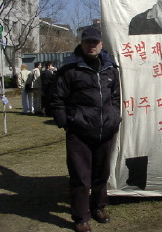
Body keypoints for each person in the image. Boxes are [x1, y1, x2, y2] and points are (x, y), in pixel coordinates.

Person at [50, 27, 121, 232]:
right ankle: (81, 217)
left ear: (101, 44)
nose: (92, 45)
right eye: (88, 42)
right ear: (81, 43)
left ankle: (99, 207)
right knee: (80, 177)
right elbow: (57, 98)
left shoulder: (110, 68)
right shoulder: (70, 68)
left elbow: (115, 97)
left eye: (95, 42)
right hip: (79, 131)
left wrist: (114, 117)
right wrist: (67, 122)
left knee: (101, 173)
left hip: (104, 129)